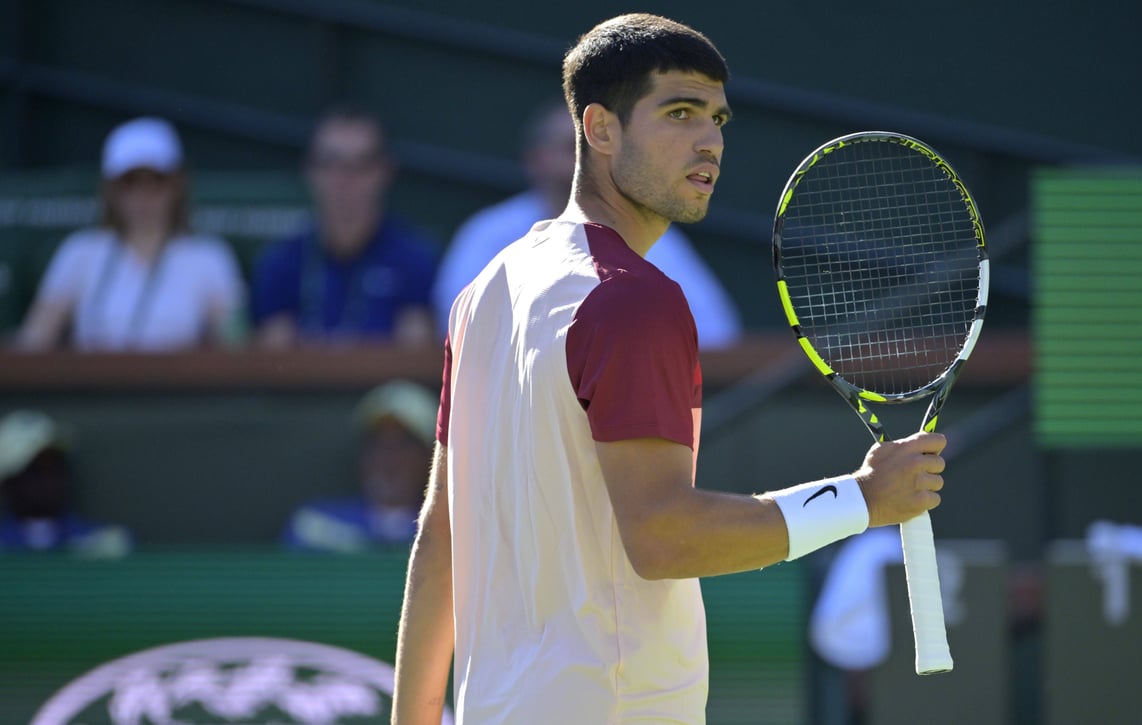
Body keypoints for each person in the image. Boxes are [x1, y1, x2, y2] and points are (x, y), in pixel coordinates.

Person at [392, 14, 948, 725]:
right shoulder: (632, 299)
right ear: (598, 128)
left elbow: (441, 535)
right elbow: (663, 535)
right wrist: (864, 499)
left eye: (717, 117)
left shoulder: (486, 291)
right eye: (679, 112)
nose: (709, 139)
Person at [431, 100, 743, 349]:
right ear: (535, 159)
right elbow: (459, 324)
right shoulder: (491, 233)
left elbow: (716, 332)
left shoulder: (651, 232)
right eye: (573, 146)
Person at [15, 117, 245, 351]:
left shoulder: (209, 256)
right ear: (110, 190)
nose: (143, 195)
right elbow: (36, 336)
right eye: (129, 182)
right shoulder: (79, 251)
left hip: (178, 385)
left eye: (157, 181)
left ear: (177, 186)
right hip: (93, 385)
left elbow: (235, 342)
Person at [251, 108, 442, 348]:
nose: (344, 178)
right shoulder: (280, 262)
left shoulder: (414, 258)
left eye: (360, 164)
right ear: (310, 170)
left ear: (385, 171)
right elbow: (274, 364)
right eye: (331, 163)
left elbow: (414, 355)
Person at [282, 379, 438, 553]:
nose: (387, 458)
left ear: (429, 459)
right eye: (377, 444)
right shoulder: (317, 525)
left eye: (403, 445)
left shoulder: (446, 531)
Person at [0, 409, 132, 556]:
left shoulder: (104, 544)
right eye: (37, 470)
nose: (52, 479)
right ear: (8, 483)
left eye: (57, 466)